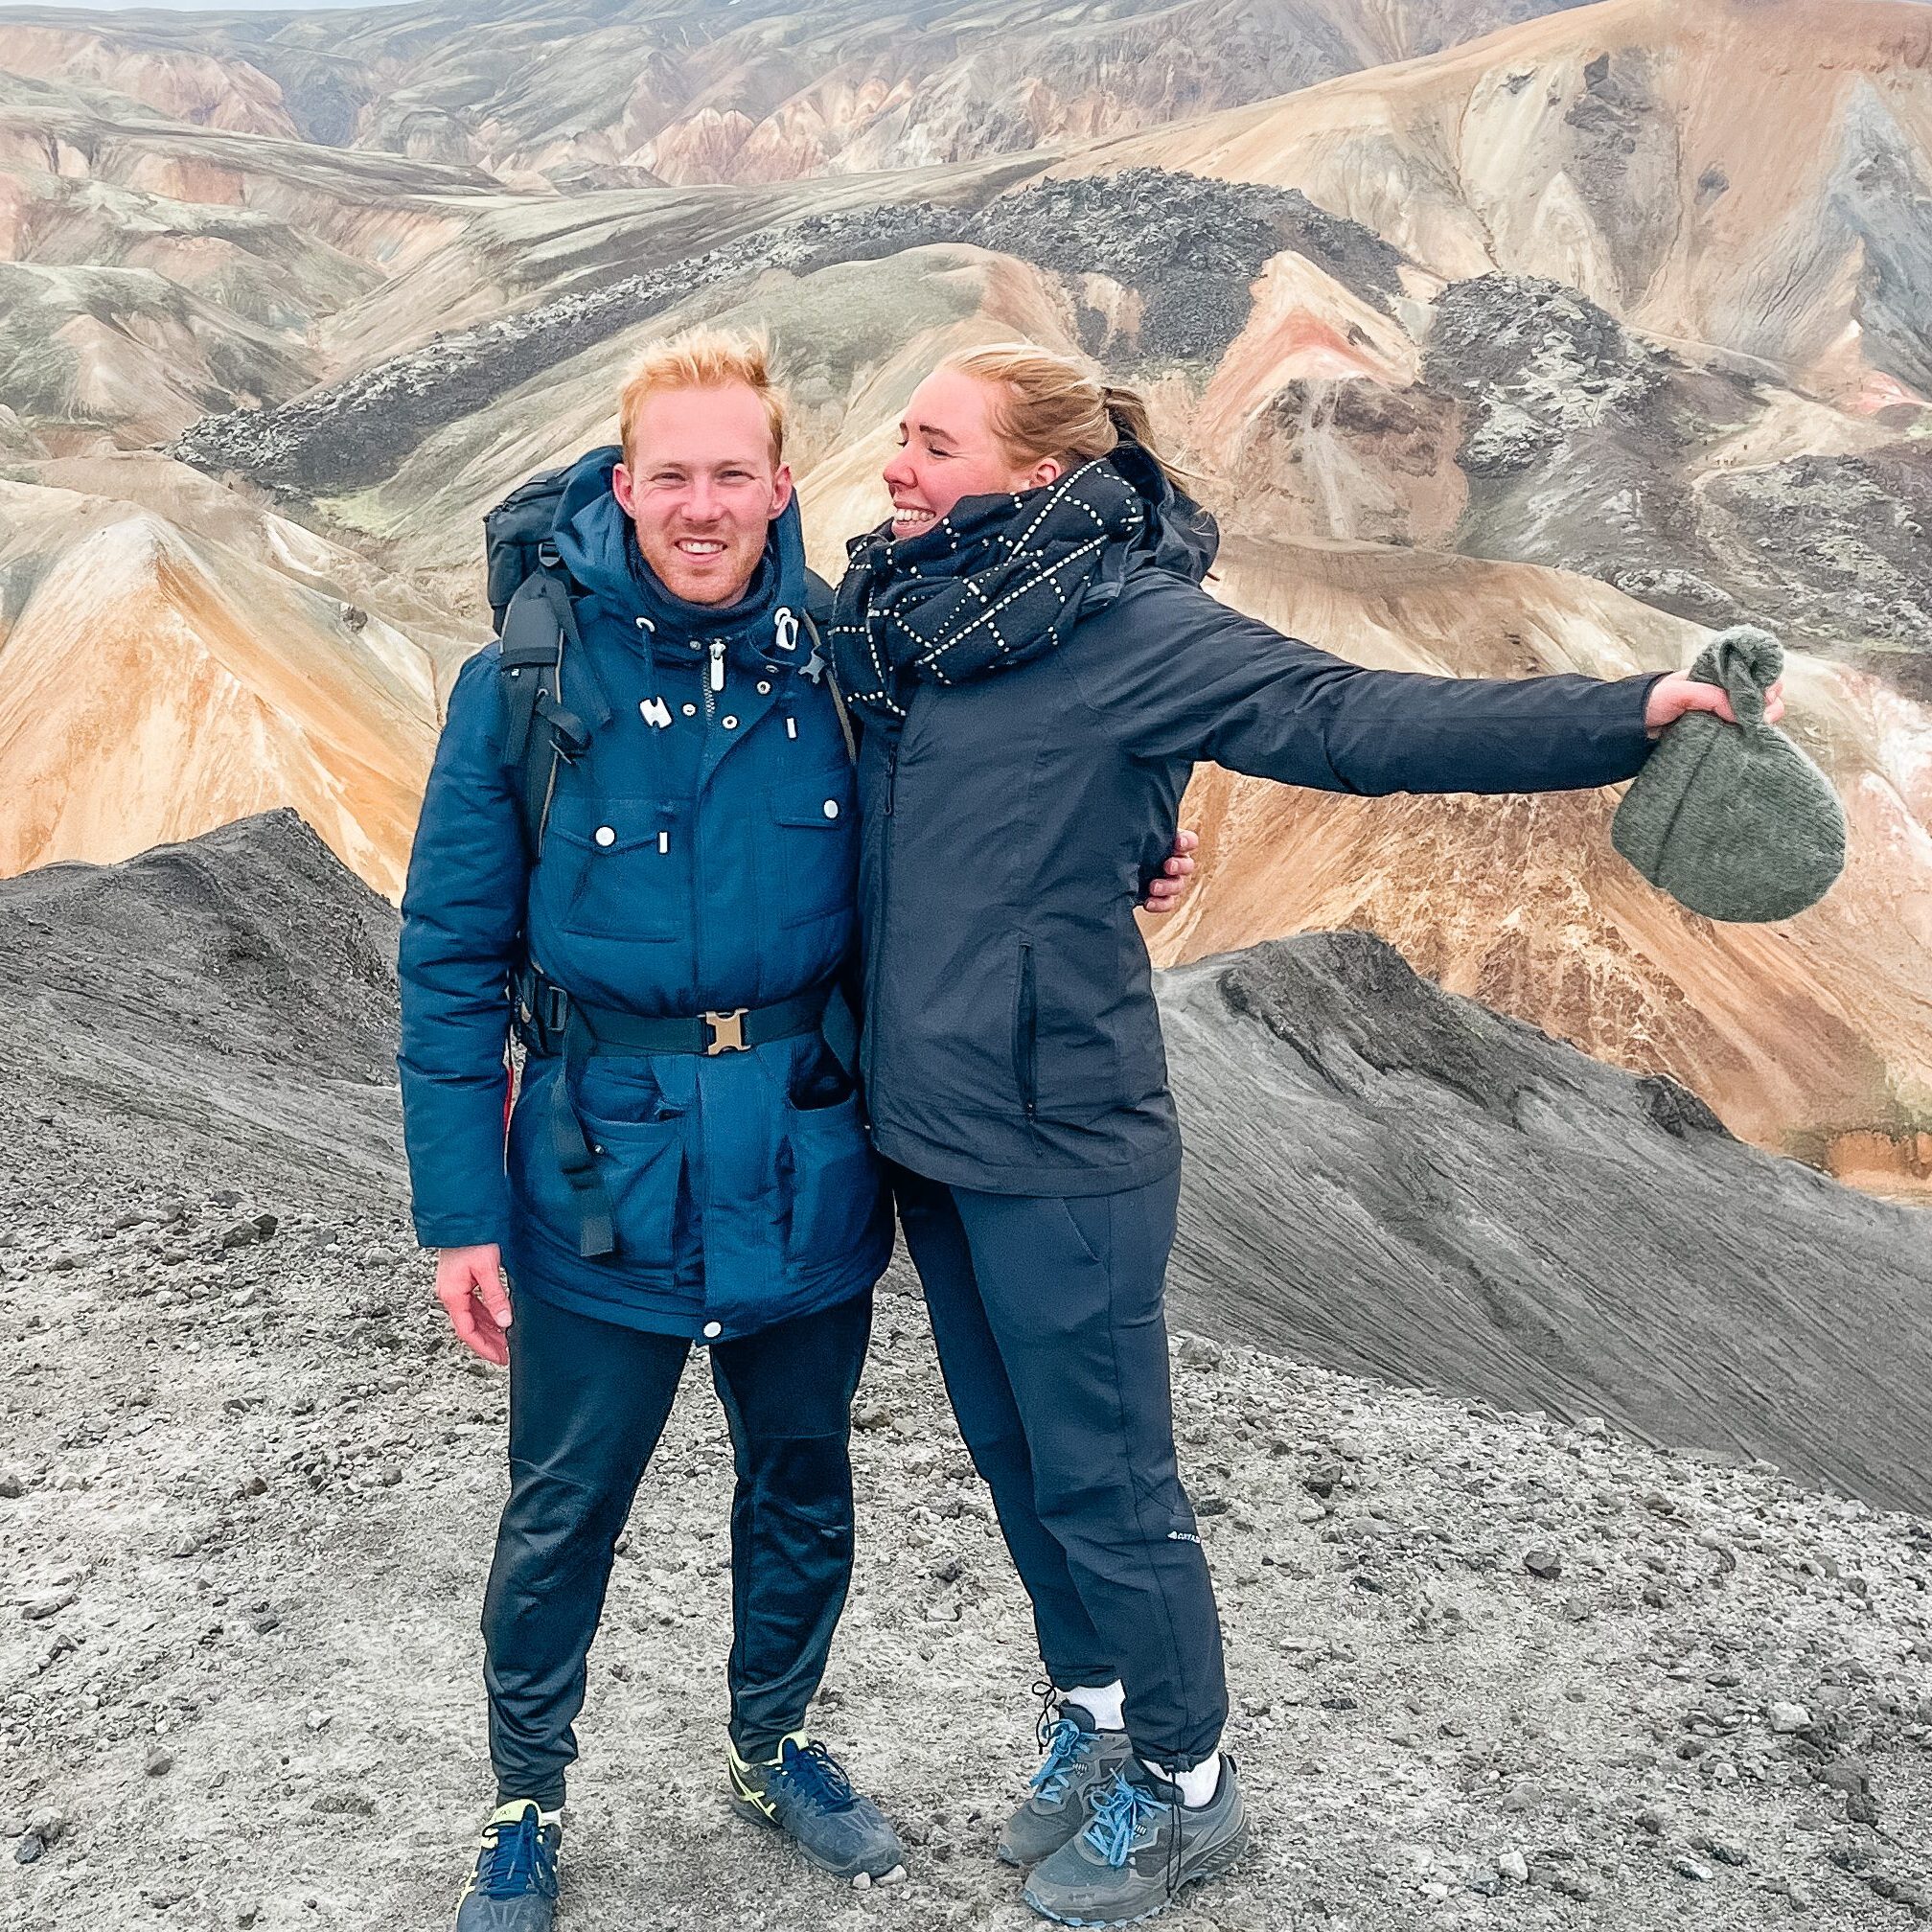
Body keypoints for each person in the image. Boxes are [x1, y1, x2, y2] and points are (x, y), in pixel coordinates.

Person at [827, 341, 1786, 1927]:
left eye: (929, 444)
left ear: (1040, 476)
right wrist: (1136, 834)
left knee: (1107, 1479)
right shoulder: (908, 620)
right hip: (927, 1126)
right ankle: (1101, 1713)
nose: (894, 472)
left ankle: (1188, 1784)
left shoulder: (1134, 628)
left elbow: (1351, 719)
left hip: (1063, 1136)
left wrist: (1630, 713)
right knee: (1013, 1458)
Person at [397, 328, 1197, 1930]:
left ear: (780, 486)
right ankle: (523, 1796)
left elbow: (990, 822)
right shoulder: (523, 686)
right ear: (626, 489)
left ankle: (775, 1741)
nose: (703, 508)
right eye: (670, 478)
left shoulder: (858, 662)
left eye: (732, 476)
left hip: (807, 1162)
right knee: (564, 1507)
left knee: (803, 1479)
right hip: (594, 1171)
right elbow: (450, 959)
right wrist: (456, 1212)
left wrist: (1134, 851)